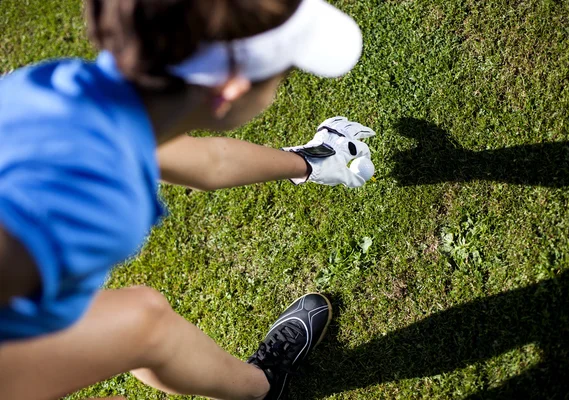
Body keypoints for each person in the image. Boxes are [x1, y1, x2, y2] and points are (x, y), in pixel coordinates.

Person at [0, 0, 375, 399]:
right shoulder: (98, 204)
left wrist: (308, 163)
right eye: (280, 75)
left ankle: (262, 391)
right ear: (231, 91)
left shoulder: (62, 89)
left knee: (144, 321)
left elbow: (209, 162)